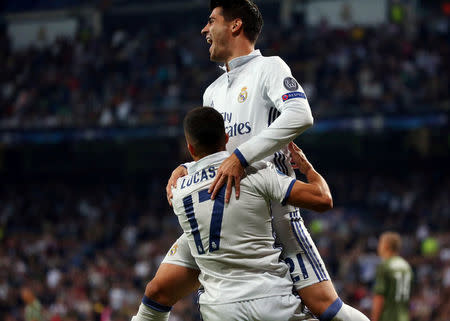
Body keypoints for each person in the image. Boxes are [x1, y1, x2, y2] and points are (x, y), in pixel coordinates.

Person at [151, 1, 369, 320]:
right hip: (225, 215)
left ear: (235, 25)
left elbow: (300, 114)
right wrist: (186, 167)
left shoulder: (269, 68)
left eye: (212, 21)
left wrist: (242, 157)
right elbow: (212, 151)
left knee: (325, 307)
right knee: (157, 290)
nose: (204, 29)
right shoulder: (211, 92)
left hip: (274, 211)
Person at [133, 106, 333, 321]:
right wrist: (308, 170)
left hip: (219, 309)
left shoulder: (178, 191)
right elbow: (322, 199)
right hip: (271, 301)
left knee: (157, 291)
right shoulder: (258, 172)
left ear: (191, 149)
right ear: (227, 138)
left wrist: (184, 167)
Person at [372, 232, 413, 321]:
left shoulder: (385, 266)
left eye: (380, 243)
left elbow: (379, 297)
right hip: (404, 317)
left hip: (388, 317)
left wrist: (375, 319)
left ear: (386, 246)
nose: (378, 246)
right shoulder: (406, 267)